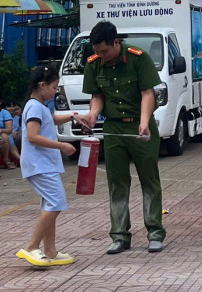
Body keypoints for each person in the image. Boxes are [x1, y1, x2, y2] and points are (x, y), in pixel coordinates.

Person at [79, 19, 166, 254]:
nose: (101, 55)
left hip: (140, 127)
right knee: (117, 183)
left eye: (104, 50)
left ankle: (155, 232)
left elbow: (148, 93)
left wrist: (144, 123)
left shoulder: (139, 58)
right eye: (97, 51)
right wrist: (93, 114)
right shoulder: (94, 63)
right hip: (114, 130)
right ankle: (119, 235)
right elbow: (97, 96)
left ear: (116, 42)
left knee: (149, 180)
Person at [17, 63, 79, 268]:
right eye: (54, 87)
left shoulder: (39, 106)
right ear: (42, 85)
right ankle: (32, 247)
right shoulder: (35, 106)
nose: (55, 91)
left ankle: (50, 250)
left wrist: (73, 116)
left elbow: (51, 119)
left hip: (44, 164)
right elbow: (33, 136)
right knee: (56, 203)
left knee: (50, 204)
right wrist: (61, 145)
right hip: (39, 164)